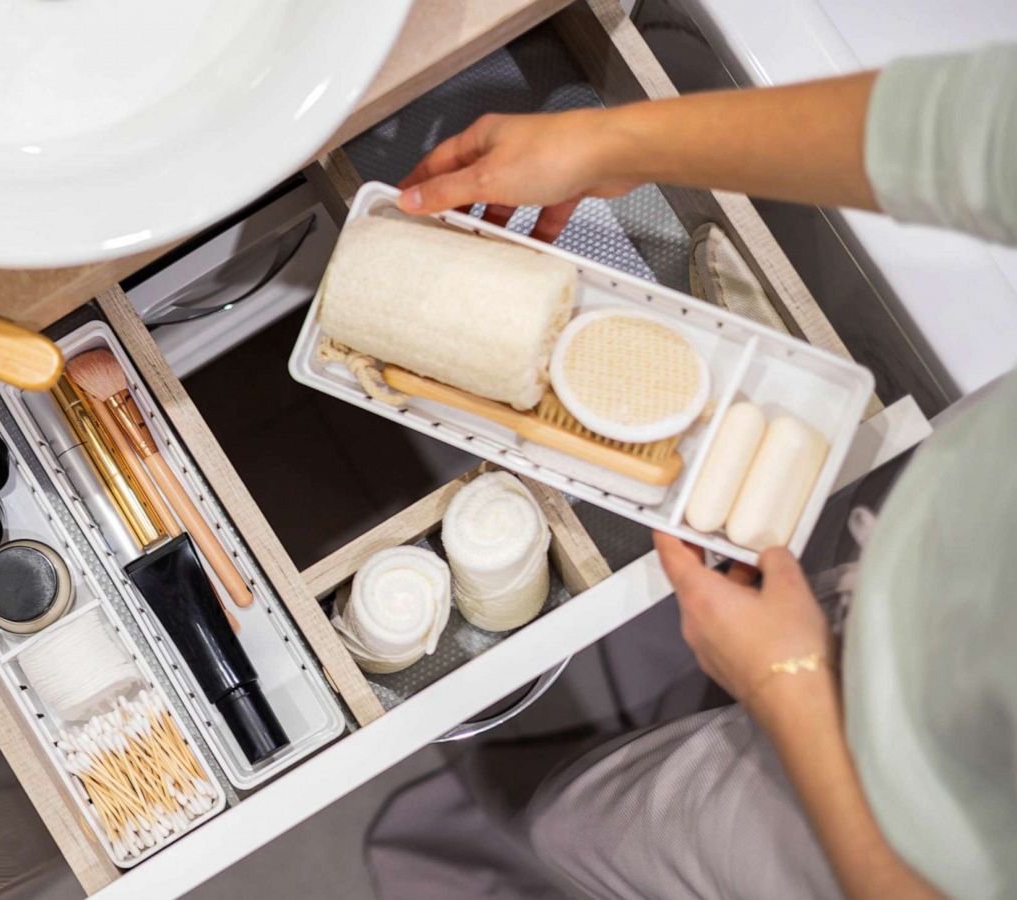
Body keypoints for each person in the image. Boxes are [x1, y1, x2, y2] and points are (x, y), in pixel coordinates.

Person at [390, 46, 1017, 898]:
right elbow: (967, 127)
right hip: (938, 554)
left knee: (574, 825)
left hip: (897, 831)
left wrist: (785, 688)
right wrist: (612, 143)